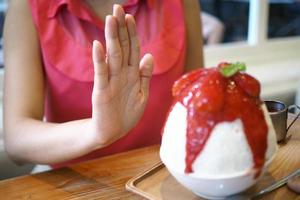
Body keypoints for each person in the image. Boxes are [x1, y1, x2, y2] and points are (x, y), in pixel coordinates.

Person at [3, 0, 203, 168]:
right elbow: (17, 139)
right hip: (73, 183)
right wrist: (96, 132)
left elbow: (196, 107)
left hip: (161, 174)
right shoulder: (27, 6)